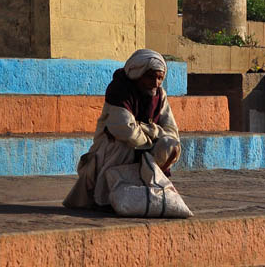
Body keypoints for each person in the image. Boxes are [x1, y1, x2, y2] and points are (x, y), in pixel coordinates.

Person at [63, 49, 182, 209]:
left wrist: (151, 131)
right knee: (123, 145)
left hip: (146, 143)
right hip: (114, 147)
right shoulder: (119, 90)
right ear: (137, 73)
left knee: (171, 145)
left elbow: (171, 131)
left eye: (160, 78)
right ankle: (105, 197)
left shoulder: (160, 95)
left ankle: (149, 186)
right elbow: (125, 129)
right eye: (150, 77)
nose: (156, 83)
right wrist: (151, 138)